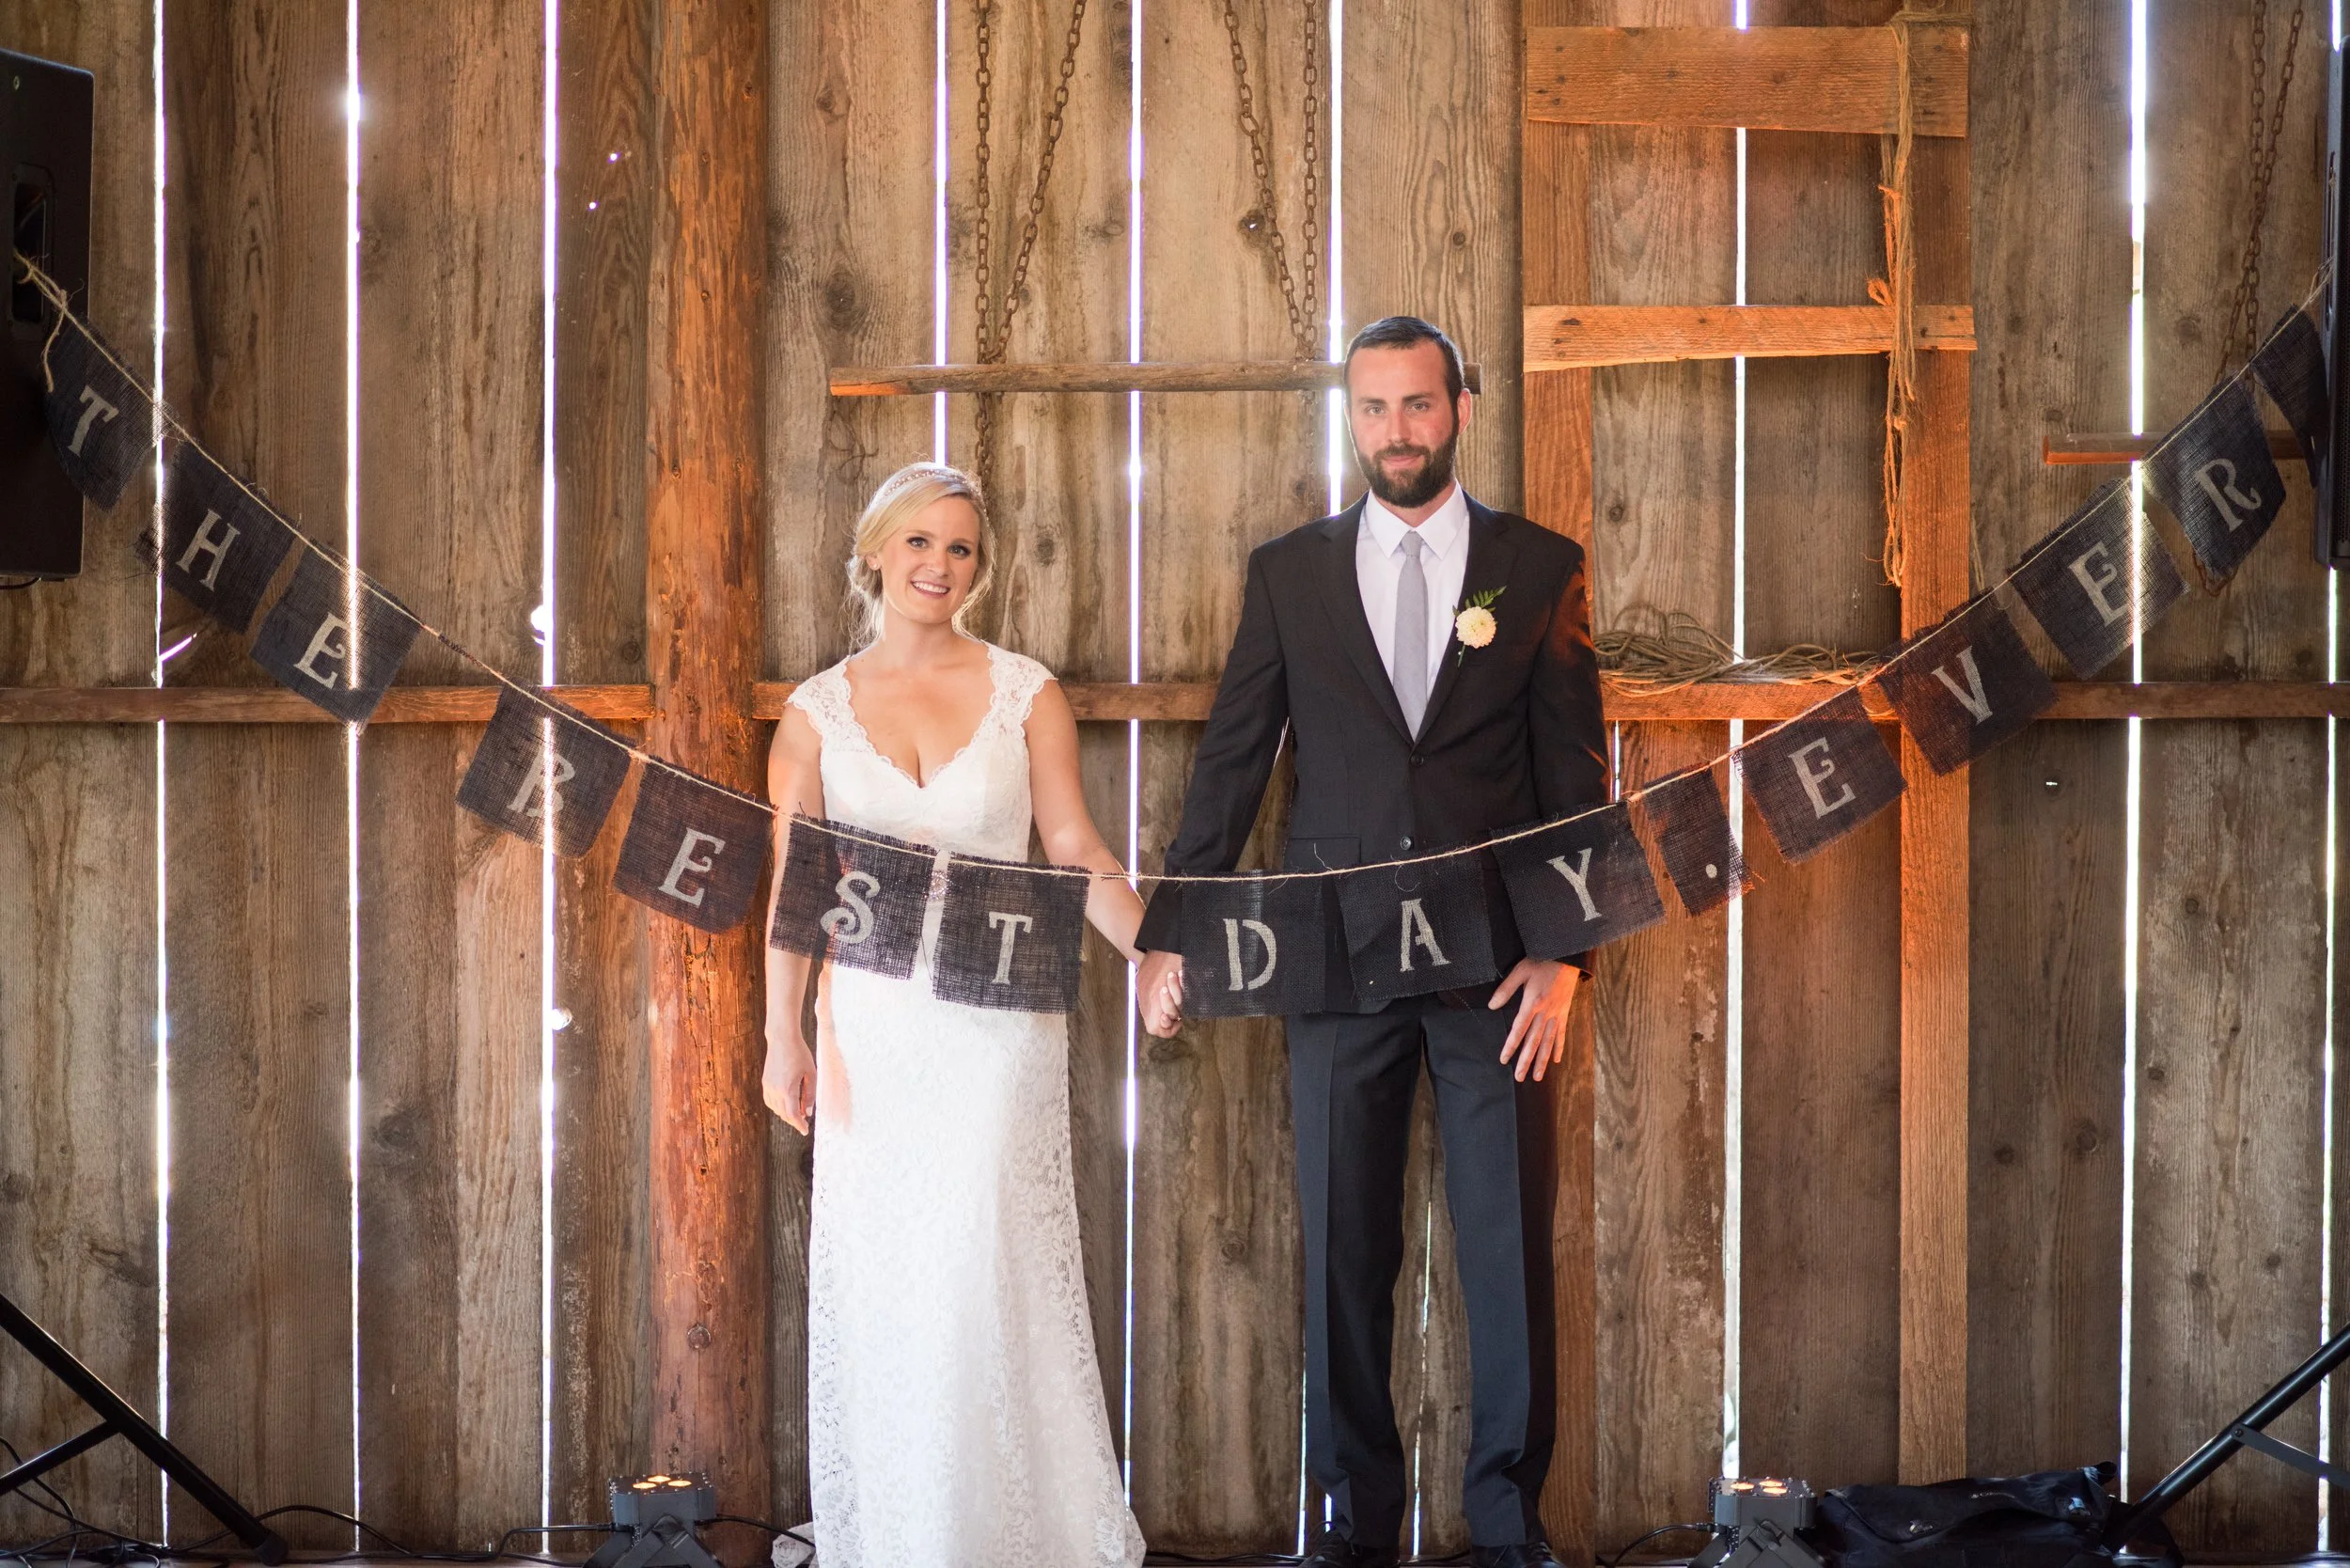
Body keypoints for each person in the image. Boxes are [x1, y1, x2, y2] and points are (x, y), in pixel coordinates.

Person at [1135, 317, 1607, 1568]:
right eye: (1374, 409)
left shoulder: (1538, 566)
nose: (1396, 430)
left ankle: (1509, 1527)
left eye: (1417, 405)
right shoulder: (1290, 574)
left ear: (1459, 406)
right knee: (1344, 1251)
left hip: (1497, 972)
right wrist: (1171, 930)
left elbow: (1575, 776)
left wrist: (1565, 955)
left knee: (1505, 1253)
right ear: (1352, 418)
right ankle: (1352, 1525)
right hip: (1333, 966)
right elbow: (1236, 758)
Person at [761, 462, 1148, 1568]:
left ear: (981, 568)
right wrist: (780, 1034)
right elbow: (797, 888)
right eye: (919, 543)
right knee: (890, 1271)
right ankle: (903, 1531)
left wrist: (1149, 948)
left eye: (961, 548)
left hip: (996, 1025)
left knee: (980, 1255)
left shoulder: (1026, 690)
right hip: (871, 1030)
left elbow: (1072, 847)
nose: (938, 566)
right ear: (877, 552)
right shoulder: (814, 711)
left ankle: (1012, 1528)